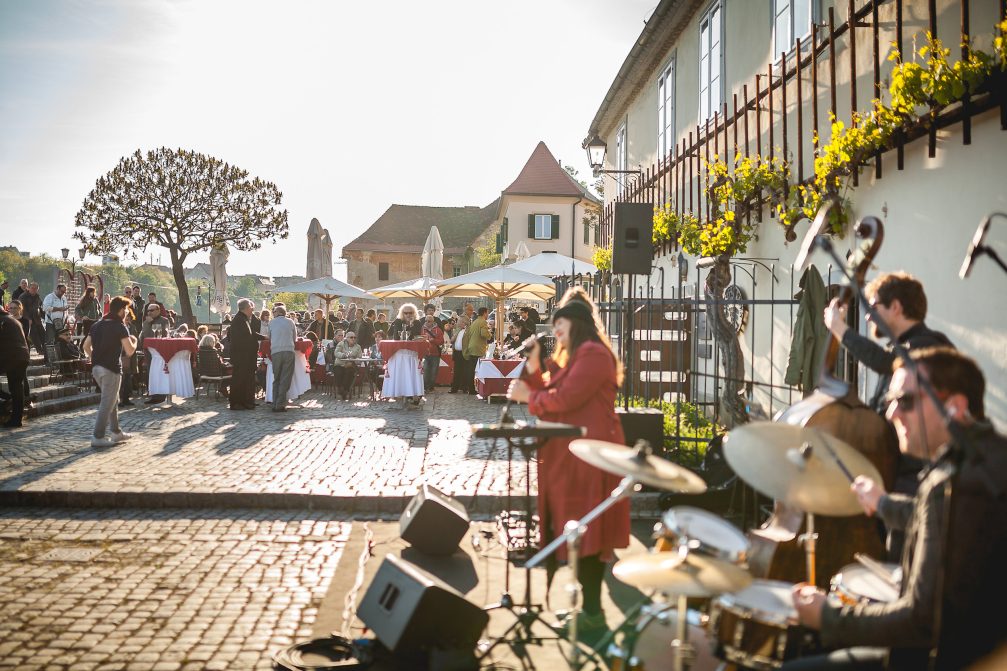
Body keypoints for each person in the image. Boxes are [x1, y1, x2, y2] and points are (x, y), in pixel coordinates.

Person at [785, 347, 1007, 670]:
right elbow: (934, 517)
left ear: (955, 407)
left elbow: (920, 620)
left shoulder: (955, 482)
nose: (891, 414)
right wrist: (881, 503)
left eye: (905, 401)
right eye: (890, 402)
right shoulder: (987, 458)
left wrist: (827, 617)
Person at [507, 290, 630, 643]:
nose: (554, 331)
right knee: (577, 534)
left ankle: (593, 614)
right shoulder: (576, 356)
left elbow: (562, 399)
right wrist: (533, 366)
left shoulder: (593, 355)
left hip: (589, 458)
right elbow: (548, 389)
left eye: (558, 325)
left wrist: (528, 395)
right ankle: (588, 610)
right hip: (572, 456)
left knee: (588, 535)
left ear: (574, 324)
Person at [824, 271, 954, 557]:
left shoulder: (927, 345)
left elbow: (885, 362)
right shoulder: (901, 351)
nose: (868, 317)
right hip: (894, 475)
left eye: (873, 308)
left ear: (895, 307)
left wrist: (840, 329)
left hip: (914, 480)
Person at [82, 296, 136, 448]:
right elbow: (130, 351)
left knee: (112, 400)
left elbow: (86, 346)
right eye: (125, 309)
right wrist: (135, 341)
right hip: (111, 369)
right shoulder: (120, 326)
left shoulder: (97, 325)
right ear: (120, 310)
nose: (126, 312)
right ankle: (97, 436)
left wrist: (96, 358)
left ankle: (116, 432)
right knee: (107, 402)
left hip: (96, 368)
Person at [0, 303, 30, 428]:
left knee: (16, 387)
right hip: (22, 356)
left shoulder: (3, 321)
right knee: (17, 387)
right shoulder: (13, 320)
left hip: (11, 357)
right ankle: (16, 417)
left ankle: (8, 401)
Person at [229, 299, 259, 411]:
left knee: (245, 379)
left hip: (245, 356)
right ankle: (236, 402)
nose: (253, 310)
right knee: (239, 379)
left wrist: (264, 337)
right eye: (251, 307)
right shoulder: (239, 320)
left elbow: (251, 334)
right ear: (246, 308)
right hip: (241, 356)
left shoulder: (243, 319)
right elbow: (242, 339)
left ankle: (245, 401)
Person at [267, 304, 297, 411]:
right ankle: (280, 404)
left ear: (278, 312)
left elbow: (269, 338)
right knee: (285, 379)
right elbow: (294, 339)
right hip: (289, 351)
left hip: (276, 352)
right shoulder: (291, 322)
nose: (273, 314)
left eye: (274, 312)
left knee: (277, 378)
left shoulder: (271, 323)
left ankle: (275, 403)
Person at [140, 304, 170, 404]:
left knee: (159, 372)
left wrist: (152, 322)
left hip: (159, 351)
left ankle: (160, 394)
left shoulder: (164, 320)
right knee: (150, 372)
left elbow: (165, 335)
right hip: (148, 351)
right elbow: (143, 334)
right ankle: (152, 393)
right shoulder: (145, 322)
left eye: (151, 310)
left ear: (158, 310)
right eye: (148, 311)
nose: (149, 313)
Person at [331, 331, 363, 400]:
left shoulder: (358, 347)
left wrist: (353, 361)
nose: (353, 339)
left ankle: (345, 390)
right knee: (338, 372)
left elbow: (359, 357)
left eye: (355, 337)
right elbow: (336, 353)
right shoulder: (341, 344)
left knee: (349, 372)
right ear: (347, 338)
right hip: (340, 364)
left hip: (351, 365)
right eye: (351, 337)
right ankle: (341, 389)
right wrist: (344, 355)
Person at [420, 312, 444, 393]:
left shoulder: (438, 330)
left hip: (435, 353)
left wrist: (433, 340)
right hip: (425, 353)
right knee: (426, 370)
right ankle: (425, 386)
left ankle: (431, 386)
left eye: (429, 321)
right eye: (426, 320)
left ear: (433, 321)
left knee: (434, 371)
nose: (427, 322)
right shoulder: (422, 329)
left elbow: (441, 341)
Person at [449, 315, 470, 394]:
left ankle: (465, 387)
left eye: (459, 321)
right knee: (456, 371)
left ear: (464, 323)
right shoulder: (457, 330)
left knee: (465, 371)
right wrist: (456, 333)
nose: (457, 323)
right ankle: (454, 388)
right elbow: (452, 340)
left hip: (464, 353)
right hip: (457, 353)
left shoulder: (468, 331)